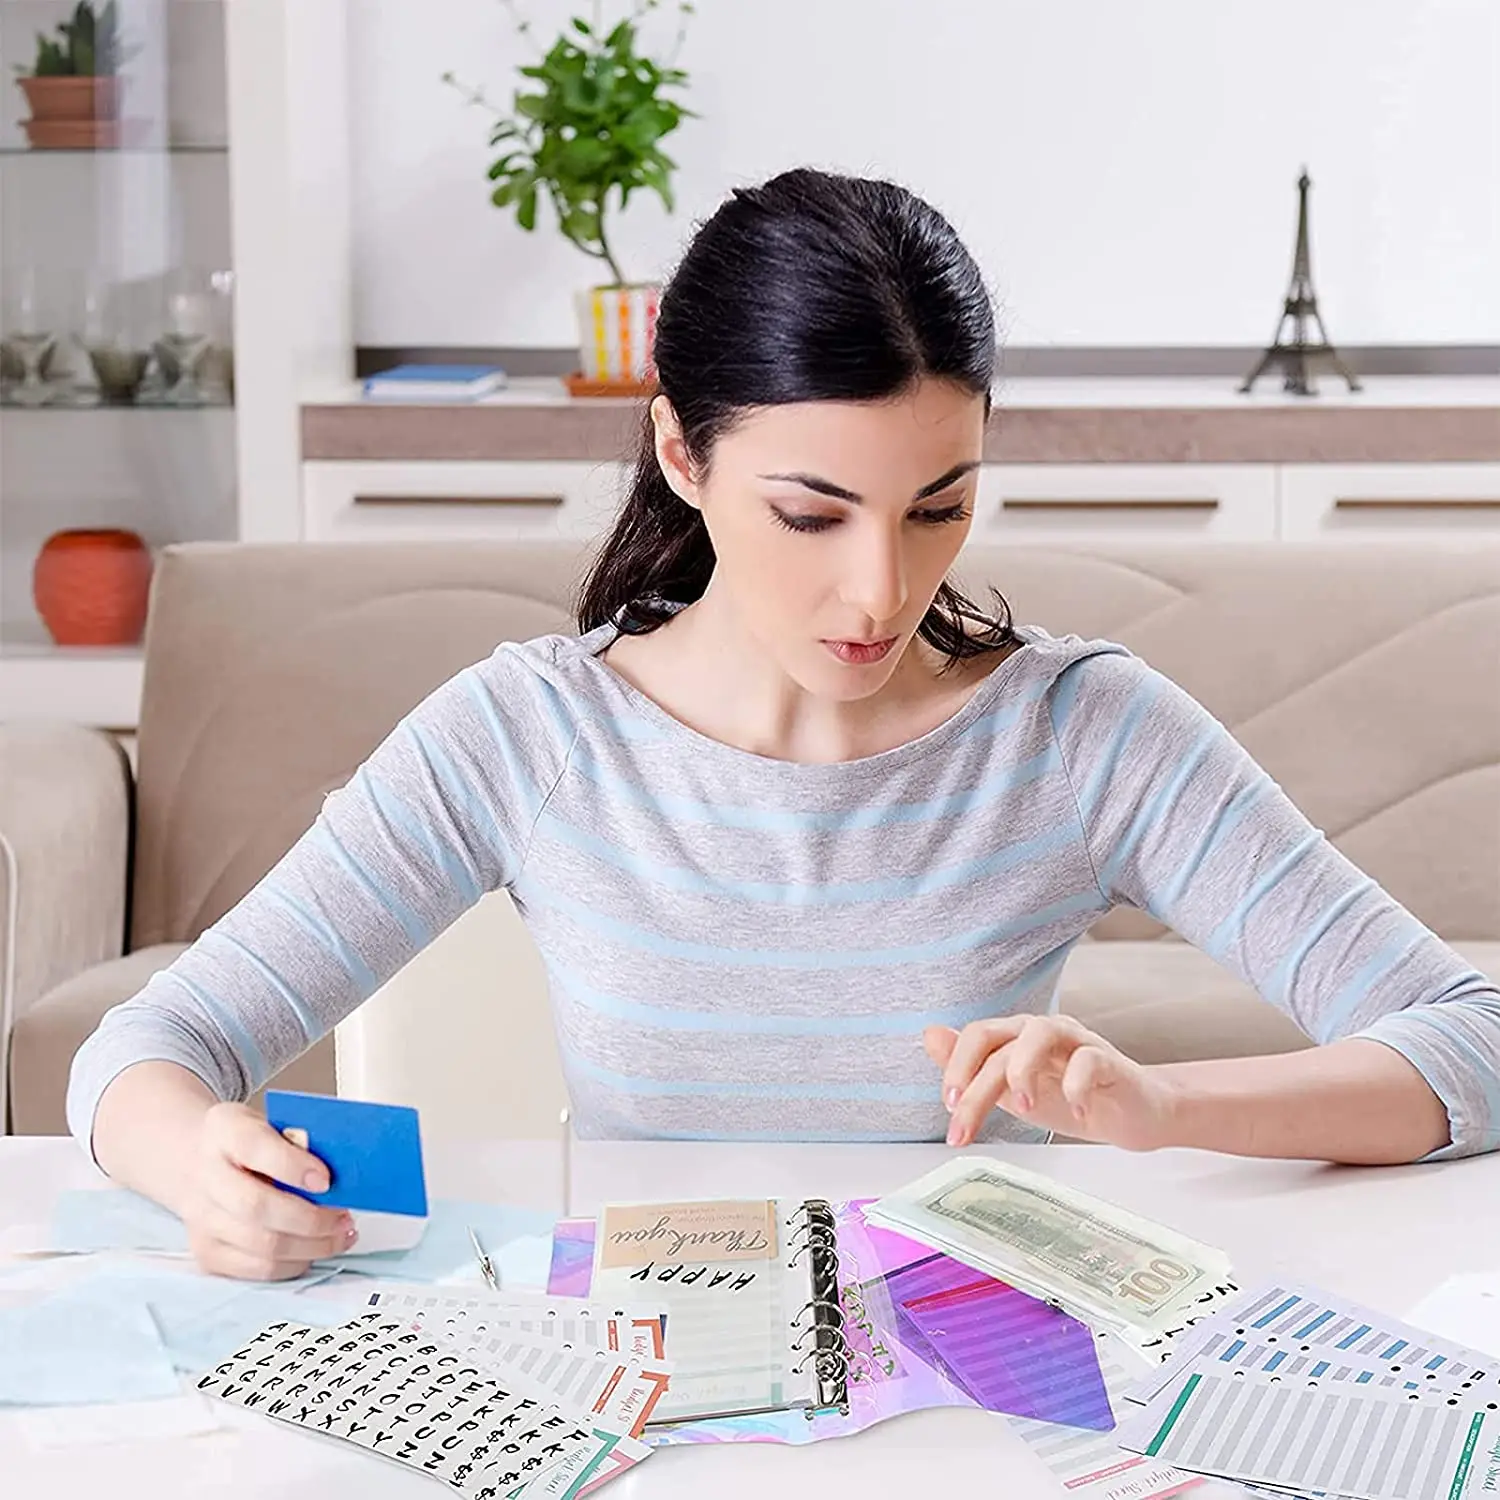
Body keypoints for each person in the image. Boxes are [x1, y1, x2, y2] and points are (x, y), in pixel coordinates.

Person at [69, 169, 1500, 1283]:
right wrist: (198, 1160)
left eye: (938, 506)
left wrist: (1160, 1107)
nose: (879, 589)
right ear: (683, 451)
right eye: (811, 513)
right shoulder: (529, 734)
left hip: (979, 1379)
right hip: (646, 1377)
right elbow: (149, 1049)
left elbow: (1473, 1043)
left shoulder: (1080, 733)